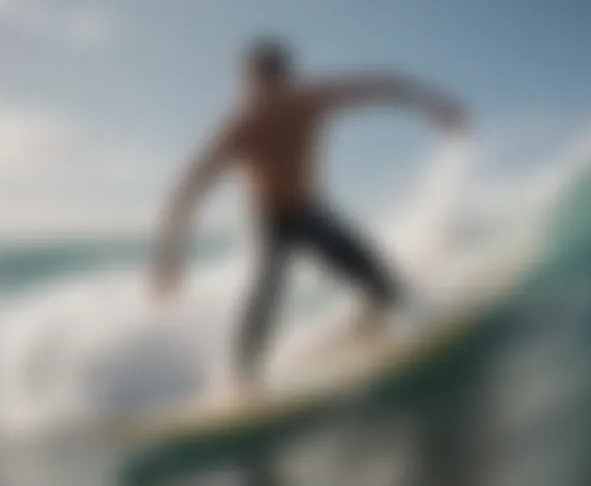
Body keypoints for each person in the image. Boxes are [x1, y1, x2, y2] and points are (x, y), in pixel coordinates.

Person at [151, 38, 467, 391]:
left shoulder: (310, 100)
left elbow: (380, 86)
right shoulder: (242, 127)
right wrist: (168, 260)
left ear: (284, 76)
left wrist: (436, 104)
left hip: (310, 212)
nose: (263, 93)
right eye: (255, 83)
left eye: (270, 80)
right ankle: (244, 380)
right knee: (267, 289)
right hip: (272, 222)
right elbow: (190, 187)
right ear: (247, 82)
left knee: (381, 281)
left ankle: (374, 322)